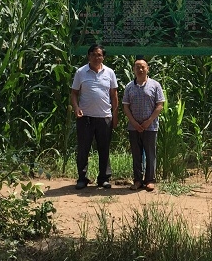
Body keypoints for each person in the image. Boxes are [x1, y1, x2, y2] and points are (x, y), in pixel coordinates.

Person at [70, 44, 119, 189]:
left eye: (99, 55)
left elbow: (114, 94)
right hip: (85, 117)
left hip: (104, 116)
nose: (96, 57)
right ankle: (82, 177)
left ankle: (103, 178)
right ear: (88, 56)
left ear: (103, 57)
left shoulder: (109, 72)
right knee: (83, 148)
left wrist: (115, 115)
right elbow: (74, 93)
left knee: (104, 149)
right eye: (93, 54)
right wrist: (76, 108)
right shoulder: (81, 72)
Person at [122, 58, 164, 191]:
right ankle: (137, 180)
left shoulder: (155, 85)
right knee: (136, 154)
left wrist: (148, 121)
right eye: (137, 67)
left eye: (143, 67)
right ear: (133, 69)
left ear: (147, 69)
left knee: (151, 154)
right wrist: (134, 123)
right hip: (133, 127)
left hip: (150, 127)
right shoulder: (129, 87)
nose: (140, 70)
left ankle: (150, 180)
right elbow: (126, 107)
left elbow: (160, 105)